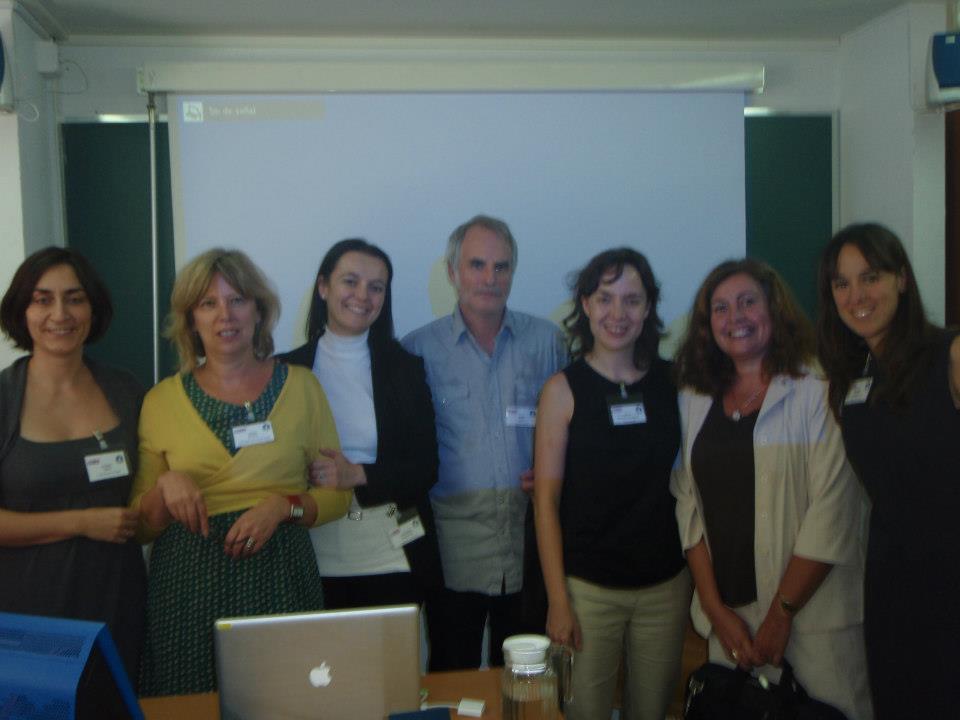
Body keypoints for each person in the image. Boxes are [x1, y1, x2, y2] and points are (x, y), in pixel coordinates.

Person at [131, 248, 351, 696]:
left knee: (288, 699)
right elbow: (140, 527)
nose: (224, 316)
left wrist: (282, 507)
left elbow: (338, 495)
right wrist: (165, 487)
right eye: (208, 304)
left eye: (237, 300)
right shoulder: (160, 401)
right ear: (191, 319)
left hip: (280, 578)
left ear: (259, 310)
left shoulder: (303, 387)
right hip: (188, 586)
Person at [671, 258, 871, 720]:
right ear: (707, 325)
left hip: (813, 621)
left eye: (747, 302)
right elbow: (688, 506)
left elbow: (833, 510)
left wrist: (782, 614)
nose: (734, 317)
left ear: (774, 309)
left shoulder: (818, 389)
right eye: (720, 308)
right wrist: (715, 609)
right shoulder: (693, 398)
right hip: (732, 625)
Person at [403, 214, 566, 670]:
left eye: (502, 267)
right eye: (477, 265)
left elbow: (576, 430)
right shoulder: (417, 350)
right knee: (451, 669)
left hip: (532, 539)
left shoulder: (548, 343)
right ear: (453, 272)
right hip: (455, 547)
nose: (489, 279)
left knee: (527, 674)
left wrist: (558, 474)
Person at [534, 248, 690, 720]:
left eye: (631, 300)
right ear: (585, 304)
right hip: (587, 591)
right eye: (605, 298)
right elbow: (546, 500)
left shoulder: (677, 381)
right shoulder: (562, 389)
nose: (617, 314)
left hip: (665, 588)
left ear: (648, 308)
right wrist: (558, 600)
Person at [817, 223, 959, 719]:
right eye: (841, 283)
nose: (856, 295)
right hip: (893, 582)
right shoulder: (848, 381)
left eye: (870, 277)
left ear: (901, 278)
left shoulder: (952, 355)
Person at [0, 247, 146, 693]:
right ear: (22, 311)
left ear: (93, 308)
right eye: (42, 299)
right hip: (29, 612)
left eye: (74, 298)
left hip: (115, 602)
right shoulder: (3, 399)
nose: (59, 313)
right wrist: (82, 522)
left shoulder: (126, 390)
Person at [276, 239, 444, 616]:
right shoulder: (284, 371)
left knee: (388, 674)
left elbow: (426, 467)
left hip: (390, 552)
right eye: (350, 282)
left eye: (376, 287)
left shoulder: (405, 368)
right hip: (308, 552)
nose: (362, 296)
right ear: (324, 287)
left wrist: (357, 474)